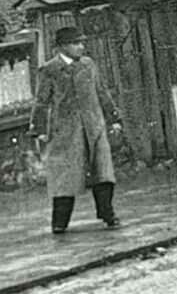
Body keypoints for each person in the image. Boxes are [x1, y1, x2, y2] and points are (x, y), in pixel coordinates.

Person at [29, 27, 124, 234]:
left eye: (82, 42)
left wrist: (114, 118)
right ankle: (59, 223)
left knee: (103, 173)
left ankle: (108, 215)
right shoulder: (49, 69)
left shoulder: (88, 65)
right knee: (65, 178)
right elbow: (42, 101)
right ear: (62, 46)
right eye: (76, 43)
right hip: (66, 131)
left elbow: (101, 92)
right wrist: (38, 130)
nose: (81, 47)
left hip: (94, 126)